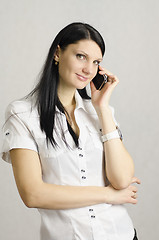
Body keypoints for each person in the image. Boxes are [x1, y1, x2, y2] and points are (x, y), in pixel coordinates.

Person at [1, 22, 140, 240]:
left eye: (96, 62)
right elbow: (33, 194)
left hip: (121, 233)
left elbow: (122, 180)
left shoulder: (101, 112)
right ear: (58, 53)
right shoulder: (22, 114)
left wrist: (102, 108)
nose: (89, 69)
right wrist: (108, 195)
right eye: (81, 56)